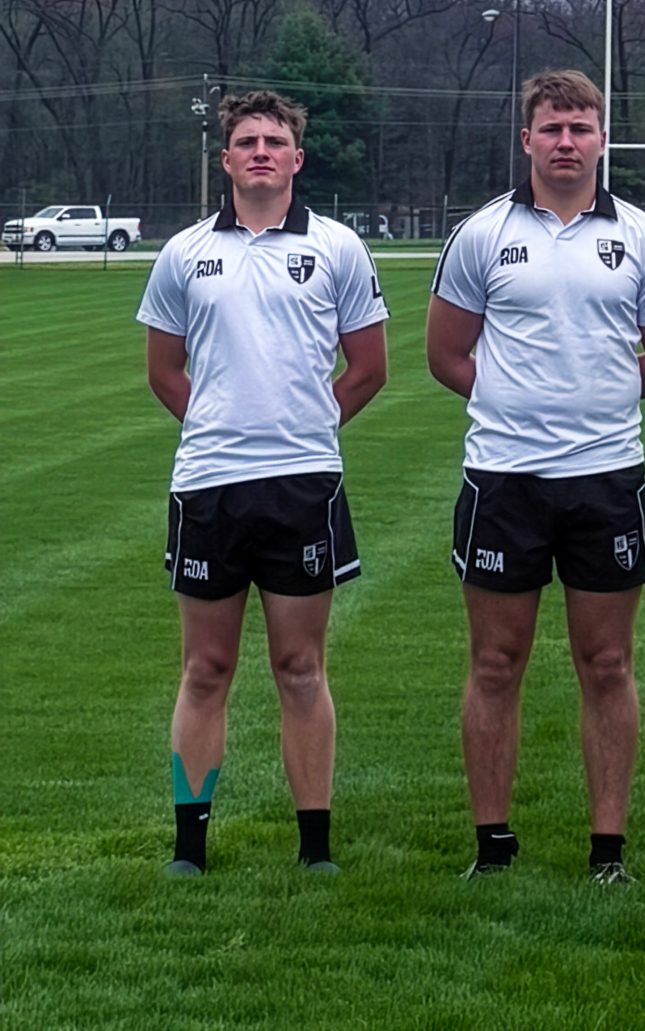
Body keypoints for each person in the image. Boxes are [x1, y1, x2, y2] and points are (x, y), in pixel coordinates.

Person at [426, 69, 645, 884]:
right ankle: (493, 847)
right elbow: (445, 353)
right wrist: (519, 401)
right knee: (496, 663)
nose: (567, 142)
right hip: (504, 479)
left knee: (607, 664)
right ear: (528, 139)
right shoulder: (482, 233)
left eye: (581, 128)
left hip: (606, 478)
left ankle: (607, 852)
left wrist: (591, 396)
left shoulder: (644, 236)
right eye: (553, 128)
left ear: (602, 139)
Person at [137, 89, 389, 876]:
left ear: (296, 157)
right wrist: (222, 428)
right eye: (245, 140)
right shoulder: (184, 252)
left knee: (301, 667)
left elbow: (370, 367)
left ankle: (314, 846)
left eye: (274, 140)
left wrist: (304, 431)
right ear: (225, 158)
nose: (260, 152)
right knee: (205, 668)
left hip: (302, 487)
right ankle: (190, 846)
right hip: (209, 485)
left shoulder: (339, 248)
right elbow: (163, 370)